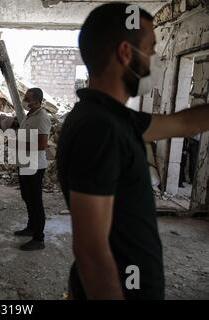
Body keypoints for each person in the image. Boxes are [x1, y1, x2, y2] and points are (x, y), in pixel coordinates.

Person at [57, 2, 209, 299]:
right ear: (126, 53)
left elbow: (182, 123)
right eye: (151, 48)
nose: (154, 58)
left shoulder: (114, 118)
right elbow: (91, 251)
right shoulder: (99, 129)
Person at [15, 88, 51, 251]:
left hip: (35, 166)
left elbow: (43, 145)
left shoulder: (42, 118)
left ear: (37, 101)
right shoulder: (29, 116)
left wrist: (20, 145)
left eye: (27, 98)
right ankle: (30, 227)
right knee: (27, 197)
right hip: (24, 164)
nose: (24, 99)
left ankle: (38, 239)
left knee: (35, 201)